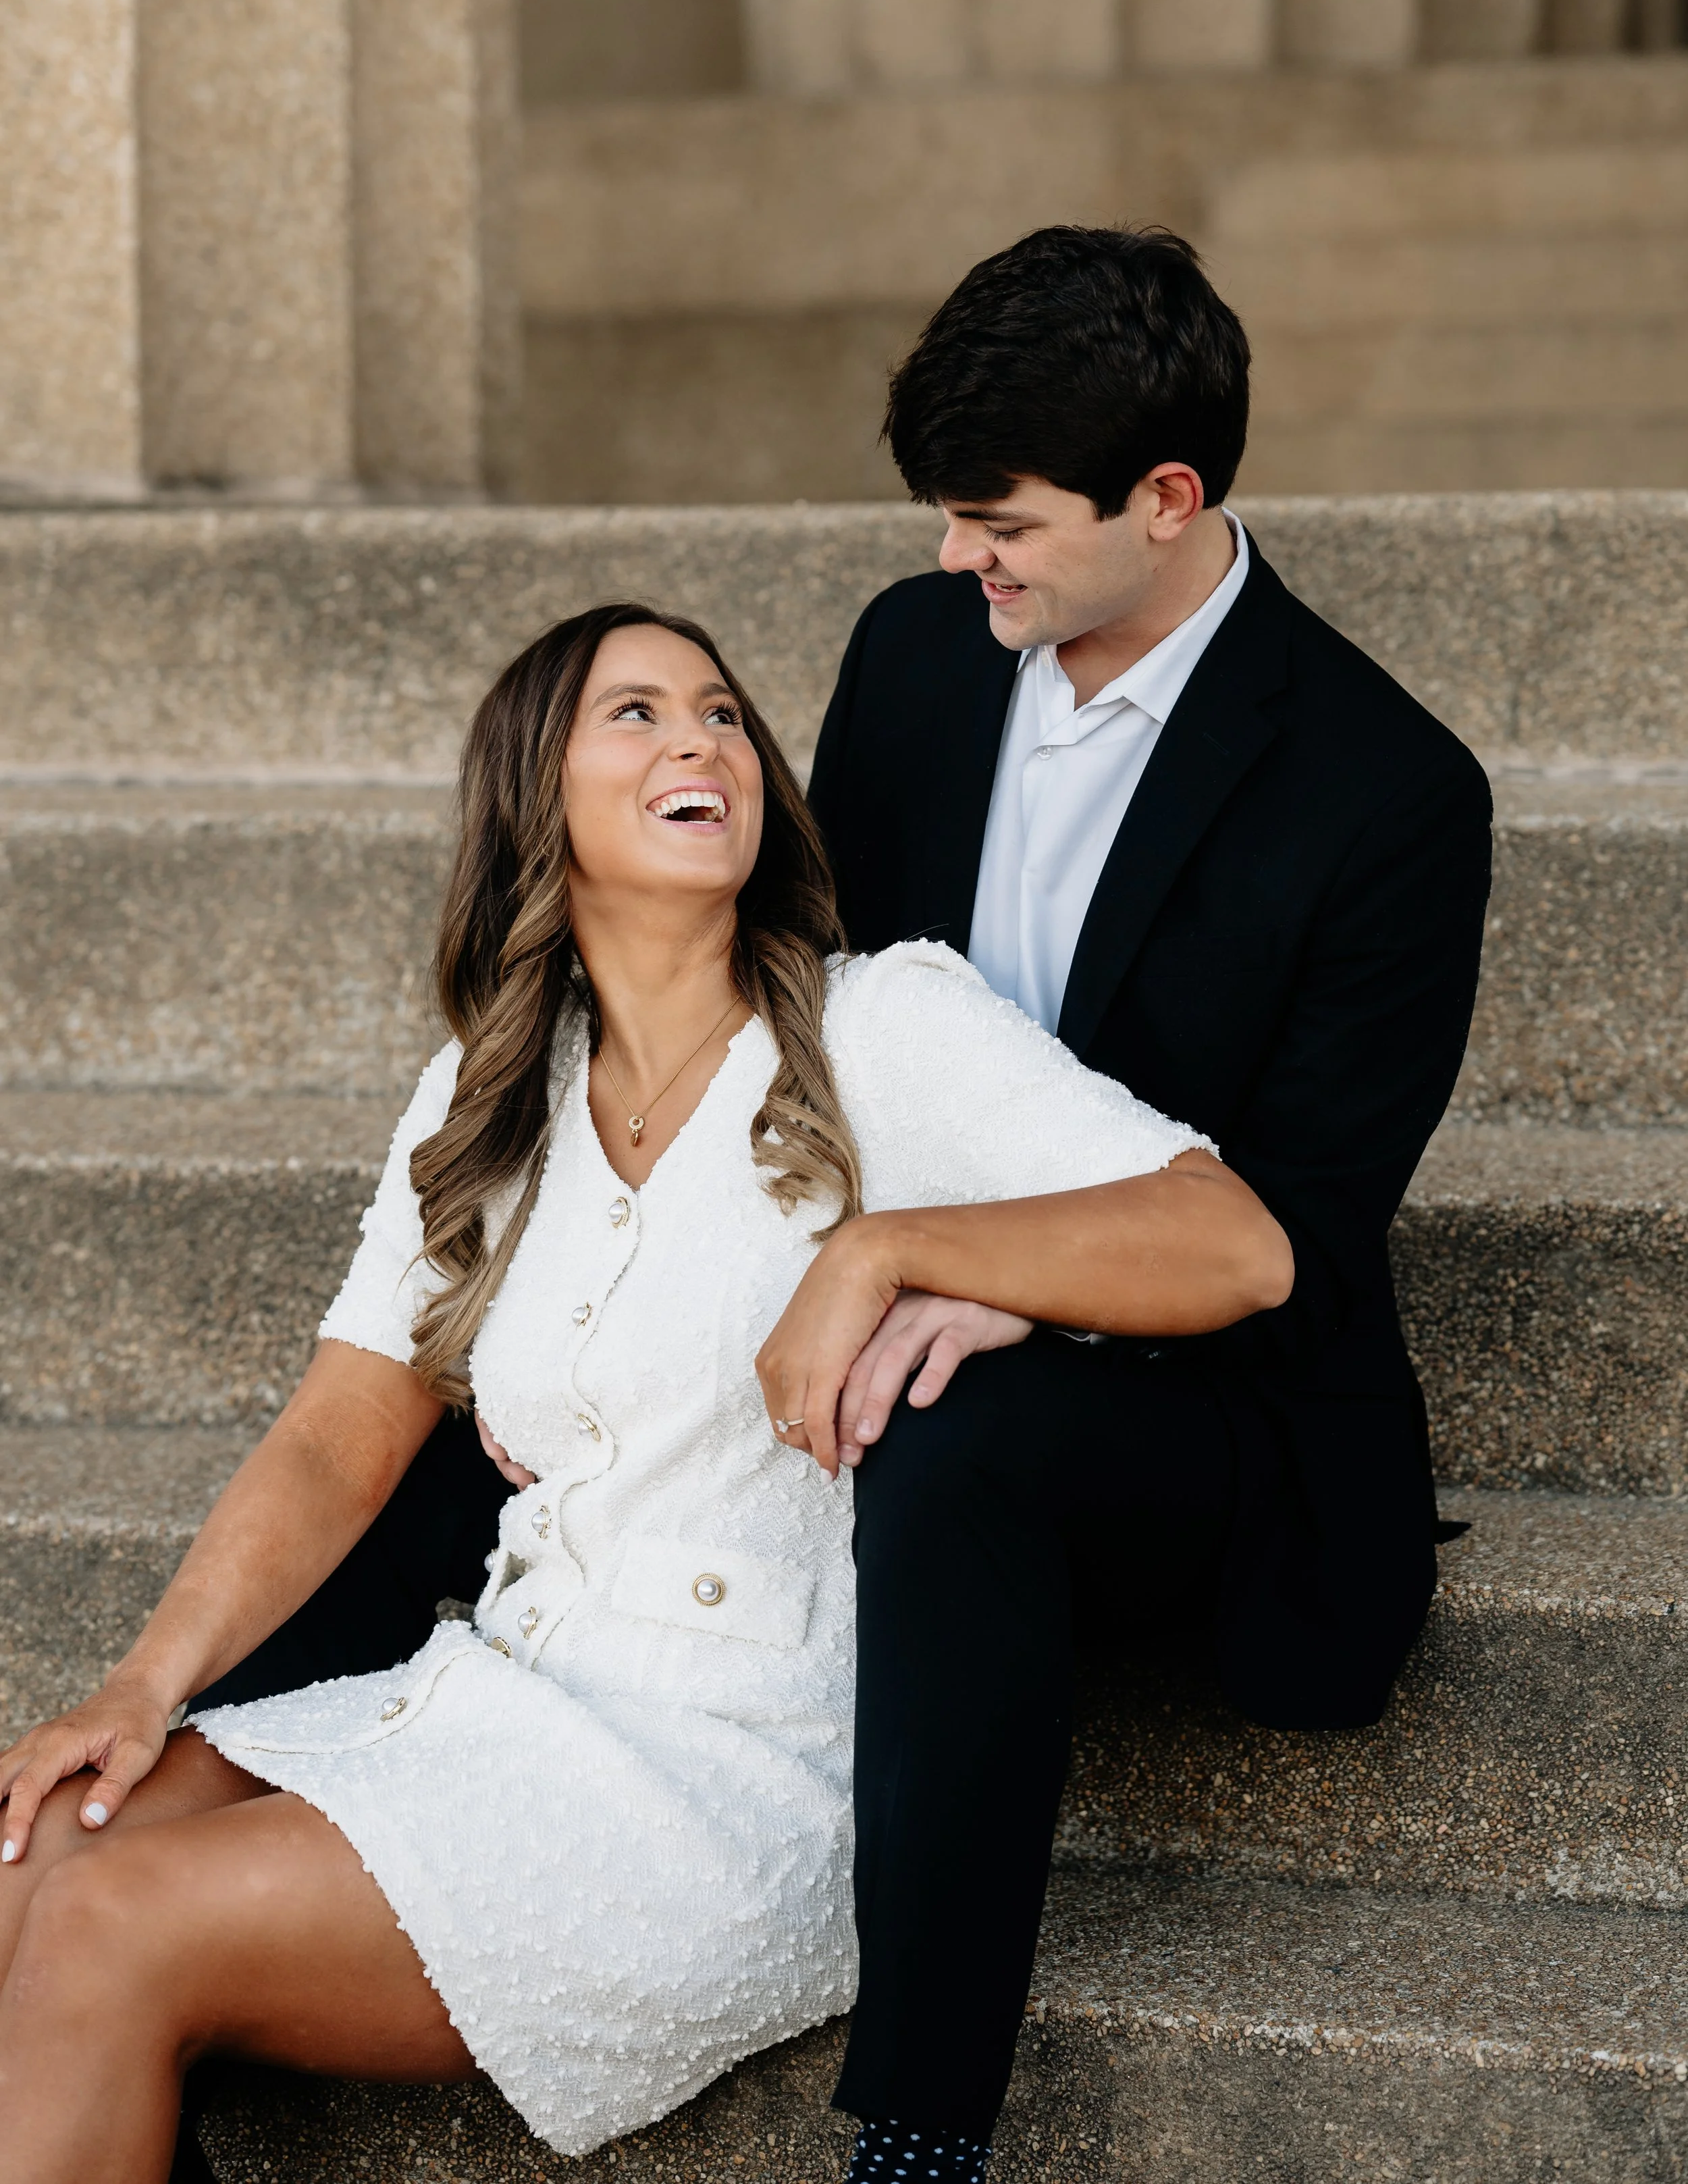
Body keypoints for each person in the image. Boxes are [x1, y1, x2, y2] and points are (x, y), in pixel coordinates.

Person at [0, 602, 1291, 2183]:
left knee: (111, 1921)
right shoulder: (492, 1088)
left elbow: (1232, 1245)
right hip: (507, 1689)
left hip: (727, 1776)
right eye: (635, 714)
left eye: (722, 715)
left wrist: (885, 1247)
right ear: (534, 799)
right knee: (40, 1848)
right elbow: (343, 1430)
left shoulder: (887, 1025)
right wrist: (142, 1688)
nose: (698, 740)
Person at [800, 224, 1494, 2164]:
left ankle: (921, 2130)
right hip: (897, 1292)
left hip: (1219, 1400)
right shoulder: (912, 655)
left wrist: (979, 1275)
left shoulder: (1386, 792)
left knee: (959, 1439)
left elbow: (1297, 1222)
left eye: (1001, 523)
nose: (961, 561)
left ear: (1167, 498)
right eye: (947, 518)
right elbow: (834, 1010)